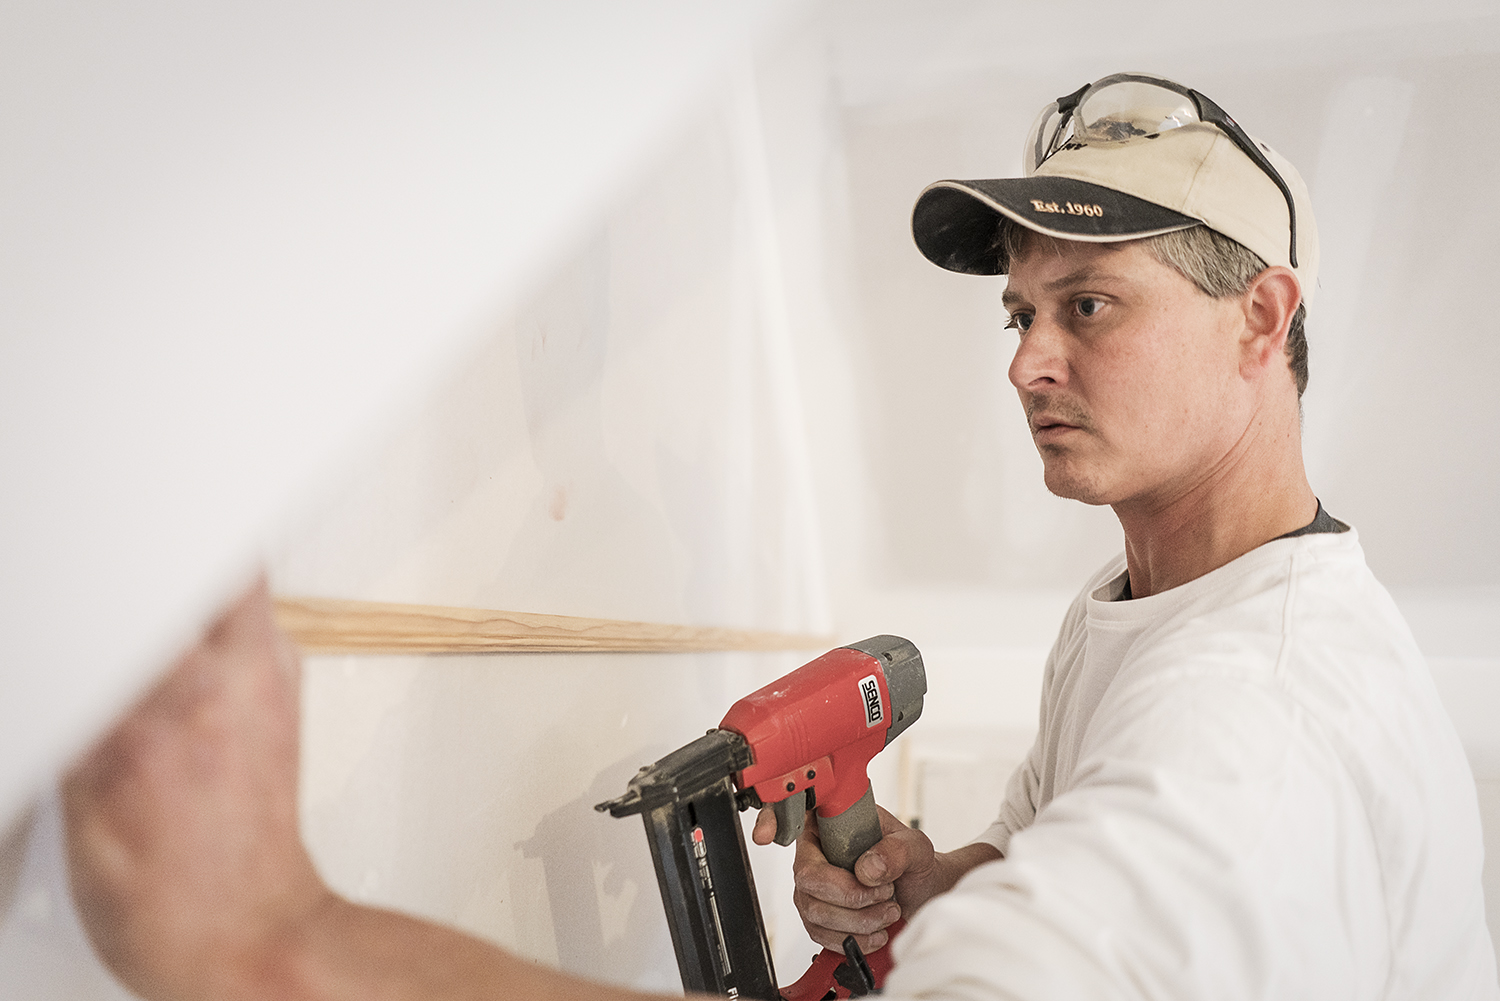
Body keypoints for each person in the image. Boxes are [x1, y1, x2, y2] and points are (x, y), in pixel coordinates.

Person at [61, 71, 1496, 1000]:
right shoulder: (1156, 602)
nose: (1025, 361)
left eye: (1091, 306)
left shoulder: (1259, 727)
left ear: (1264, 318)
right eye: (1020, 311)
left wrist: (282, 939)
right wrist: (942, 882)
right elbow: (1084, 859)